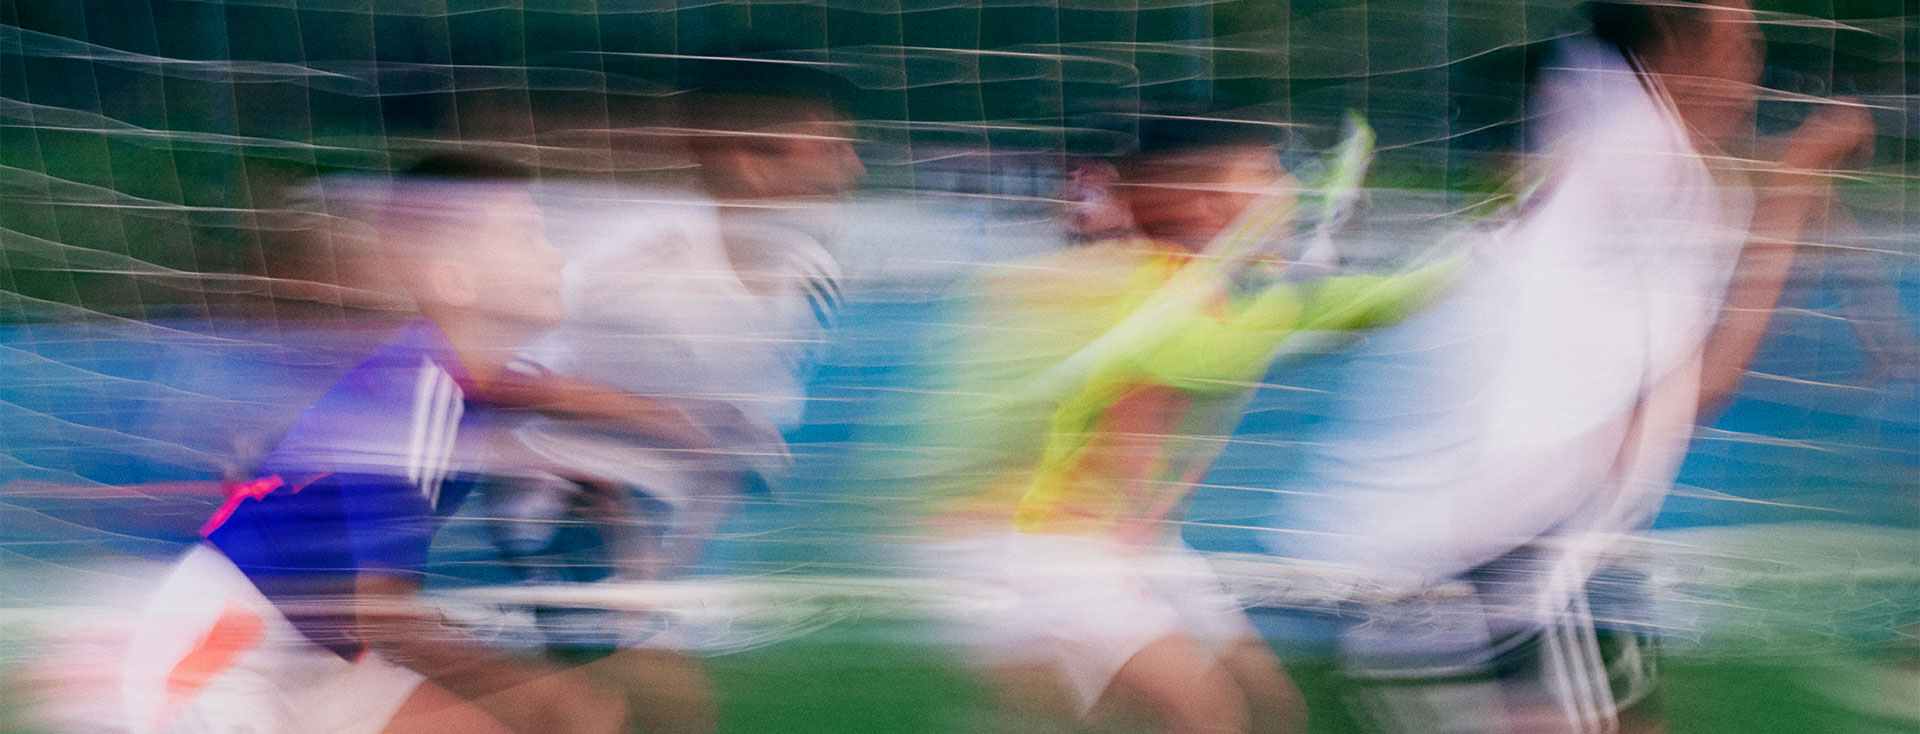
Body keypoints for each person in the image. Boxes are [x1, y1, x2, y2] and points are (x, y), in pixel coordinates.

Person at [1258, 2, 1874, 731]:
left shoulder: (1601, 116)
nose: (1756, 62)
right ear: (1681, 44)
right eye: (1742, 40)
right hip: (1491, 551)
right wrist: (1796, 179)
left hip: (1494, 541)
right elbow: (1709, 379)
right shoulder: (1635, 160)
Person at [881, 114, 1453, 734]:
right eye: (1263, 172)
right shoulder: (1130, 281)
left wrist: (1451, 269)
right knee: (1202, 716)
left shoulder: (1206, 284)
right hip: (1035, 540)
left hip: (1128, 538)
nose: (1287, 187)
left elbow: (1324, 309)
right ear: (1199, 198)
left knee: (1265, 705)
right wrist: (1294, 308)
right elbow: (1201, 354)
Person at [118, 155, 712, 734]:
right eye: (527, 237)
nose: (555, 256)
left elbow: (529, 390)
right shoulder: (410, 409)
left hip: (323, 649)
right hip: (231, 647)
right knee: (561, 710)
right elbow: (384, 614)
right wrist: (540, 690)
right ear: (452, 279)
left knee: (569, 716)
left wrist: (667, 419)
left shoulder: (445, 366)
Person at [476, 57, 867, 734]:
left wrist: (732, 456)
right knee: (649, 705)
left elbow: (739, 430)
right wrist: (660, 419)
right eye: (832, 145)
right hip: (570, 495)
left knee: (624, 710)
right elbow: (488, 373)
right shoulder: (633, 254)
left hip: (656, 527)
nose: (855, 168)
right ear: (750, 163)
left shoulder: (814, 276)